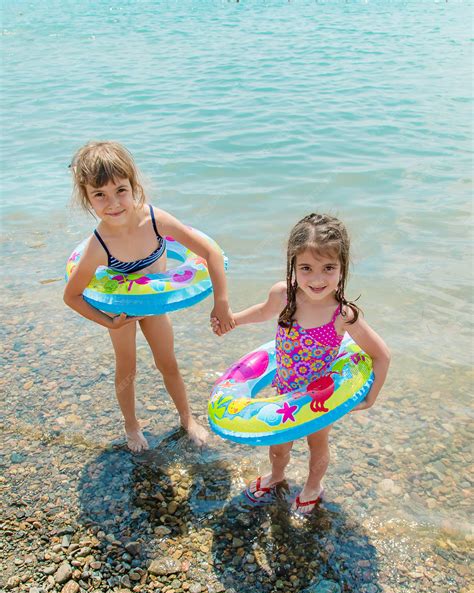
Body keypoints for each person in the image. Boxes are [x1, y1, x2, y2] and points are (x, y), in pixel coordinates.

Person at [211, 213, 390, 516]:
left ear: (342, 266)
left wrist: (371, 396)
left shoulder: (342, 315)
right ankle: (277, 476)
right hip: (285, 388)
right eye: (306, 268)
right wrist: (233, 320)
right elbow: (262, 312)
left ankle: (313, 486)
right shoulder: (284, 295)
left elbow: (381, 354)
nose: (317, 279)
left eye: (328, 268)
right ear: (292, 264)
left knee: (317, 445)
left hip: (320, 397)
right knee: (279, 445)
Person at [64, 141, 234, 452]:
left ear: (134, 185)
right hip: (122, 311)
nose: (113, 202)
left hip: (154, 305)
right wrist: (109, 322)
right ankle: (131, 425)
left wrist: (221, 301)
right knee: (126, 367)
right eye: (99, 195)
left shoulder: (155, 221)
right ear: (88, 199)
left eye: (120, 190)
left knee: (167, 362)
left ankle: (187, 418)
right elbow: (72, 295)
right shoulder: (98, 246)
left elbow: (210, 252)